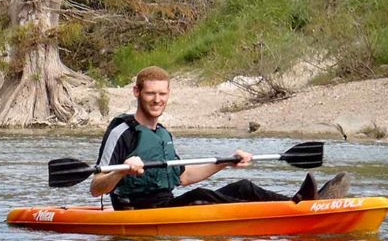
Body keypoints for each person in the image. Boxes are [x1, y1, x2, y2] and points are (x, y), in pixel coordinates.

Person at [90, 66, 350, 210]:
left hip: (167, 203)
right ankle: (287, 211)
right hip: (138, 211)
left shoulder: (163, 133)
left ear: (168, 94)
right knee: (201, 195)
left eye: (162, 94)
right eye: (150, 94)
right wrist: (122, 172)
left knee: (244, 186)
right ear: (137, 92)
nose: (157, 100)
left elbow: (183, 177)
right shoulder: (122, 130)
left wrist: (226, 162)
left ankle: (302, 205)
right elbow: (96, 187)